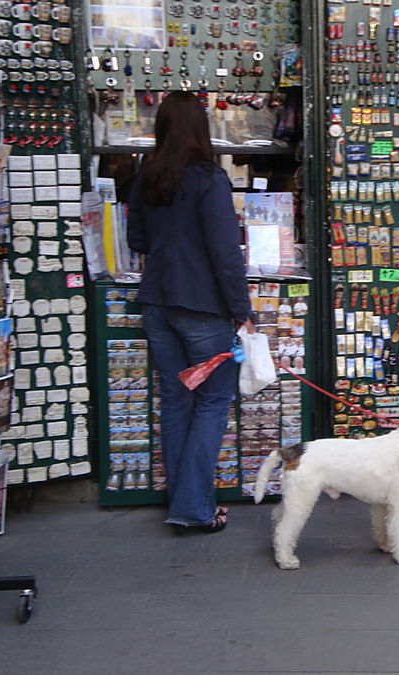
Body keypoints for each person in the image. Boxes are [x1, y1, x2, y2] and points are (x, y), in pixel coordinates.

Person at [127, 91, 256, 534]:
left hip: (158, 304)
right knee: (213, 403)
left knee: (177, 403)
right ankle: (193, 509)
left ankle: (184, 504)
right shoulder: (208, 178)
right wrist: (242, 312)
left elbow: (137, 241)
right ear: (200, 128)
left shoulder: (146, 176)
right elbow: (225, 253)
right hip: (203, 307)